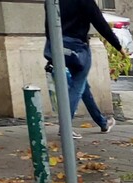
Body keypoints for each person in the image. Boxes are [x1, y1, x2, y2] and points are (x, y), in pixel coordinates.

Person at [43, 0, 123, 138]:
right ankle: (65, 127)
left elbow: (48, 23)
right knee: (77, 86)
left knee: (82, 86)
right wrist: (118, 46)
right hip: (77, 48)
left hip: (57, 46)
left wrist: (52, 45)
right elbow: (100, 23)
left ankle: (102, 122)